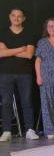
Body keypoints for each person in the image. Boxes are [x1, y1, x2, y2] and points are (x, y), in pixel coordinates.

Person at [0, 8, 39, 141]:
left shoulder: (29, 33)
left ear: (23, 18)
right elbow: (0, 53)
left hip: (25, 73)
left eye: (19, 16)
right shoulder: (3, 33)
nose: (16, 18)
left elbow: (29, 55)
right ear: (9, 17)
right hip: (5, 73)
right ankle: (6, 131)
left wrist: (9, 51)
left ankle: (30, 130)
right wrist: (20, 49)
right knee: (6, 102)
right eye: (13, 16)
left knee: (27, 101)